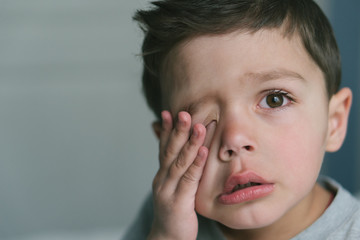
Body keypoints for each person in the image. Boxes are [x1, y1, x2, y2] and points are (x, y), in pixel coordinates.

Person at [123, 0, 360, 239]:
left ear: (334, 122)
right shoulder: (166, 216)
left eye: (274, 100)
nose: (234, 139)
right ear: (167, 150)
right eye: (199, 122)